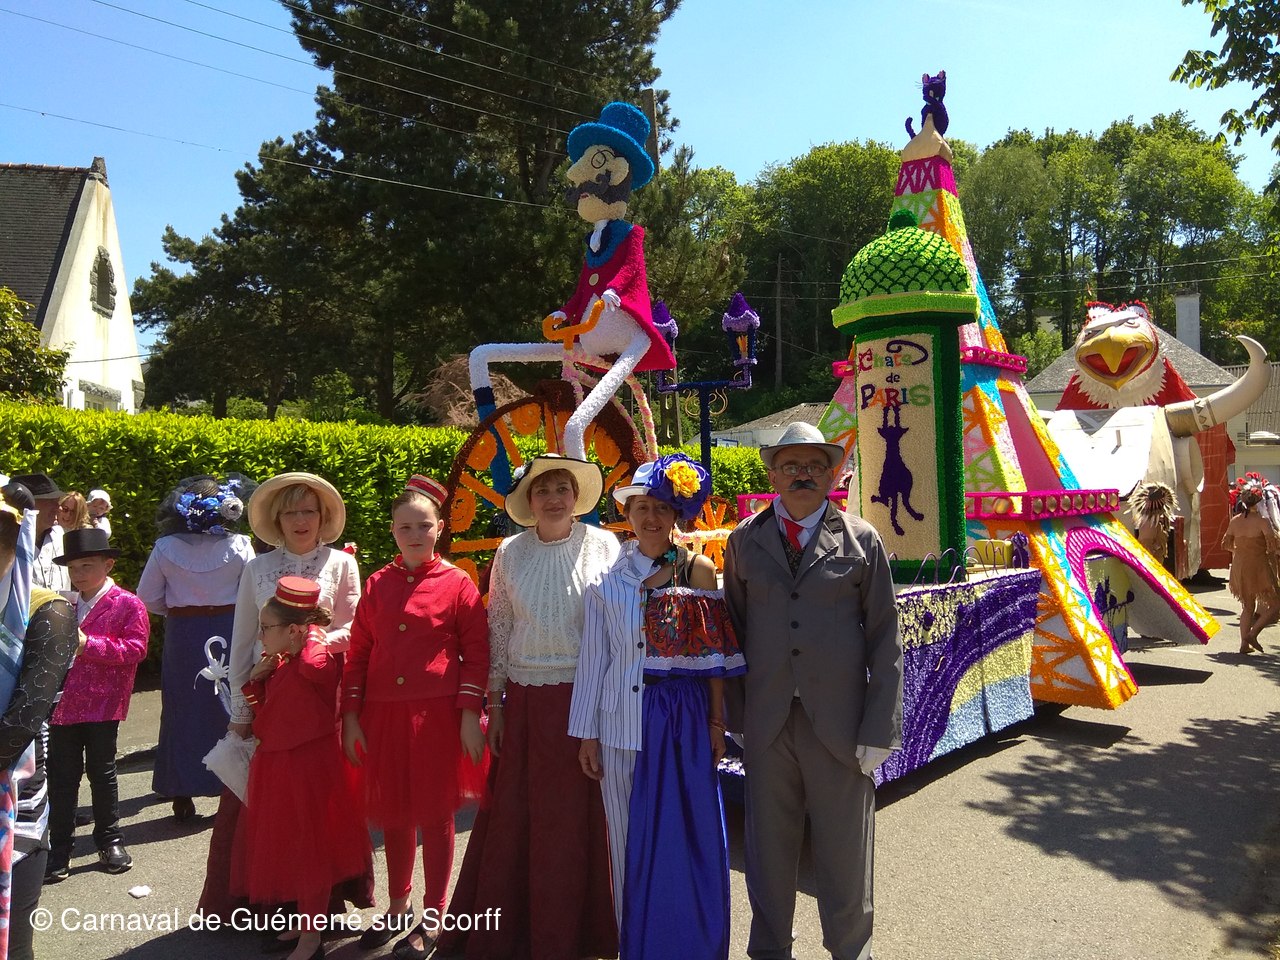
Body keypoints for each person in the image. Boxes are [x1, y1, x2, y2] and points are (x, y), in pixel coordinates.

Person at [722, 421, 903, 960]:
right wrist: (737, 718)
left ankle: (851, 950)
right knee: (768, 851)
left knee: (845, 851)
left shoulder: (862, 540)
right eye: (791, 466)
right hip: (767, 724)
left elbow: (885, 639)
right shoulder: (744, 540)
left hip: (840, 725)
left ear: (832, 476)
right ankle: (769, 949)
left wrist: (880, 727)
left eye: (814, 466)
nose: (803, 474)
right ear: (772, 475)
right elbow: (733, 633)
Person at [437, 454, 620, 960]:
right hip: (524, 704)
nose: (554, 498)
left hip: (585, 701)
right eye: (543, 490)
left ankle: (582, 933)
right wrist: (494, 704)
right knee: (519, 819)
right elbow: (498, 627)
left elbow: (618, 627)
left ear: (576, 496)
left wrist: (606, 707)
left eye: (563, 488)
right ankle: (515, 931)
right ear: (529, 499)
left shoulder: (605, 546)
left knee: (576, 823)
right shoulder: (510, 552)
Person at [570, 454, 745, 960]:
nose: (651, 517)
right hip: (620, 722)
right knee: (626, 838)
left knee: (690, 829)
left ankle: (692, 944)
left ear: (676, 514)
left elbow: (712, 655)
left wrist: (717, 722)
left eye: (661, 508)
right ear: (627, 514)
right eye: (642, 507)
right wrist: (586, 733)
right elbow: (594, 660)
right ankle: (635, 945)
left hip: (684, 719)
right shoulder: (605, 579)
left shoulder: (698, 570)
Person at [198, 471, 367, 921]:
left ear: (323, 517)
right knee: (265, 805)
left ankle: (319, 908)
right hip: (267, 697)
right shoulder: (256, 568)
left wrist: (310, 641)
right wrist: (241, 711)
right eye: (290, 512)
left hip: (319, 697)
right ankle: (266, 906)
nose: (300, 520)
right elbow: (242, 639)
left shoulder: (342, 564)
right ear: (277, 520)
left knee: (316, 806)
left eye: (308, 511)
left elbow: (356, 630)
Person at [341, 475, 489, 959]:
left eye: (424, 525)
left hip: (437, 717)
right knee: (394, 815)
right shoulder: (377, 584)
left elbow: (477, 654)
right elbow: (358, 654)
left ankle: (435, 914)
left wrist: (469, 715)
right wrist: (351, 716)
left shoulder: (458, 583)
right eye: (405, 526)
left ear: (440, 527)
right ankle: (398, 905)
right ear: (392, 530)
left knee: (435, 816)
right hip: (383, 717)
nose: (415, 534)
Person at [232, 576, 372, 960]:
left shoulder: (316, 660)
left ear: (293, 631)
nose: (261, 635)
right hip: (278, 765)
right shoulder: (283, 662)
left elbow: (314, 666)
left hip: (309, 768)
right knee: (292, 848)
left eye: (267, 628)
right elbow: (270, 716)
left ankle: (311, 938)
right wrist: (255, 682)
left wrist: (312, 631)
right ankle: (305, 921)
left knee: (312, 851)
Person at [136, 475, 255, 821]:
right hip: (230, 628)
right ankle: (230, 787)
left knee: (182, 706)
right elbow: (250, 591)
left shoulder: (165, 547)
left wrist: (179, 609)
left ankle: (181, 789)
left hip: (184, 632)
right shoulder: (240, 545)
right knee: (229, 705)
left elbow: (147, 597)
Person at [45, 527, 150, 881]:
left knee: (102, 773)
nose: (79, 574)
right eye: (74, 568)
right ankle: (60, 846)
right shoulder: (64, 603)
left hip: (103, 703)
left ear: (108, 565)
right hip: (63, 702)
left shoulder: (127, 603)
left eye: (87, 566)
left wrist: (87, 644)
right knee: (62, 776)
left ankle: (110, 839)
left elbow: (136, 649)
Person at [1221, 472, 1280, 654]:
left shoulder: (1235, 521)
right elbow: (1273, 547)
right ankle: (1252, 634)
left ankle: (1244, 645)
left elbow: (1225, 545)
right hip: (1258, 565)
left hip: (1240, 565)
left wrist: (1240, 552)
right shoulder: (1263, 521)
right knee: (1276, 604)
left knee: (1247, 606)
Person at [9, 475, 69, 593]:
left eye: (57, 501)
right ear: (28, 505)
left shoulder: (59, 535)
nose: (59, 508)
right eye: (51, 501)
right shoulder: (7, 542)